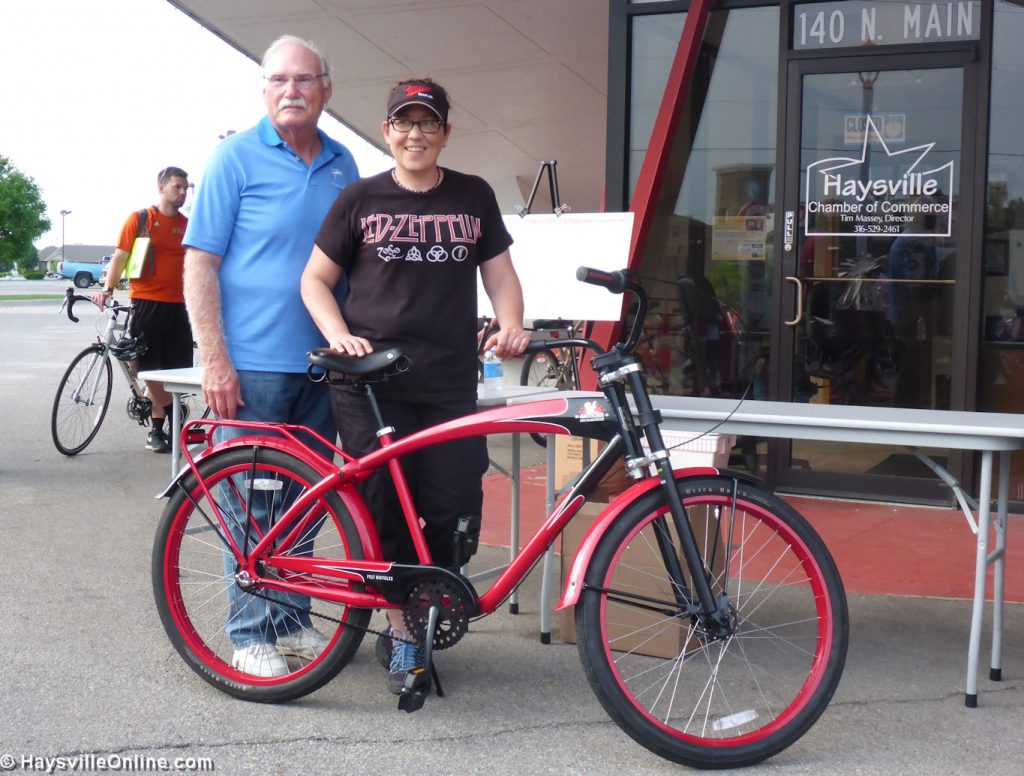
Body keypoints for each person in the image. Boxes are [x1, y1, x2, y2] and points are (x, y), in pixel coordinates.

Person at [301, 77, 531, 694]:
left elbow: (501, 276)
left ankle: (426, 611)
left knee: (453, 503)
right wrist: (339, 333)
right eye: (404, 123)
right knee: (383, 508)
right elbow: (315, 281)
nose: (415, 134)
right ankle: (404, 636)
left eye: (428, 123)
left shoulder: (473, 196)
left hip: (449, 380)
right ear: (386, 132)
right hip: (372, 384)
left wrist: (511, 323)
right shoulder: (360, 199)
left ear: (446, 133)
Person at [182, 35, 360, 678]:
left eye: (305, 80)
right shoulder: (233, 158)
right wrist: (214, 359)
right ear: (264, 90)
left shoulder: (345, 165)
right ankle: (250, 631)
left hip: (322, 368)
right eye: (280, 80)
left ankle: (291, 622)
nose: (292, 91)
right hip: (251, 369)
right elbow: (199, 264)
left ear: (326, 89)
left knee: (307, 503)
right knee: (252, 505)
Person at [92, 166, 192, 453]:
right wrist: (107, 289)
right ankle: (175, 415)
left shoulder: (188, 225)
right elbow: (120, 258)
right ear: (161, 188)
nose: (183, 193)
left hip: (180, 306)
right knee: (147, 370)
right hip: (147, 303)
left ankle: (158, 431)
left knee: (173, 371)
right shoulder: (140, 220)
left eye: (185, 188)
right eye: (177, 187)